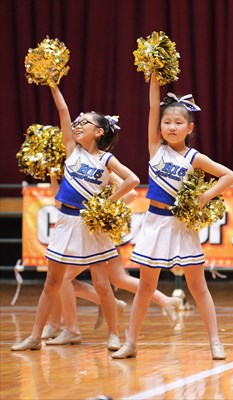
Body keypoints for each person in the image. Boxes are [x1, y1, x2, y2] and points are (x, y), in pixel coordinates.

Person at [112, 72, 233, 359]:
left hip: (181, 226)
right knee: (145, 287)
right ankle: (131, 343)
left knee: (197, 286)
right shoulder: (155, 148)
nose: (171, 126)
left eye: (178, 122)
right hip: (154, 223)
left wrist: (206, 196)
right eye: (167, 122)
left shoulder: (195, 158)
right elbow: (153, 107)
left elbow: (229, 175)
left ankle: (215, 342)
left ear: (189, 127)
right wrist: (154, 79)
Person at [12, 84, 140, 351]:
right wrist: (53, 85)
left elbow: (133, 180)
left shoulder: (106, 159)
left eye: (86, 123)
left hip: (90, 227)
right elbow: (63, 109)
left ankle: (114, 334)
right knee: (52, 283)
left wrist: (106, 202)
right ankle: (35, 337)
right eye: (78, 122)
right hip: (65, 222)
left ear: (99, 132)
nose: (79, 125)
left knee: (102, 284)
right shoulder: (71, 149)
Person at [41, 174, 181, 342]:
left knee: (64, 278)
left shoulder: (98, 165)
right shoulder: (69, 169)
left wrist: (103, 212)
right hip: (85, 232)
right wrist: (53, 177)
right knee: (117, 278)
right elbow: (59, 202)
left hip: (96, 234)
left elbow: (131, 194)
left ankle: (66, 324)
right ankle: (165, 300)